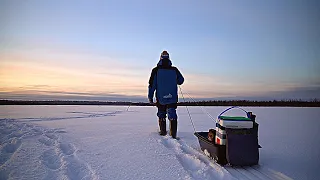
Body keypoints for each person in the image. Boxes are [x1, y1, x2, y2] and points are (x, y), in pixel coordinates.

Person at [148, 50, 184, 139]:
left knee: (161, 113)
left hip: (161, 98)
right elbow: (181, 81)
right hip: (172, 97)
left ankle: (163, 132)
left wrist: (150, 97)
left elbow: (152, 85)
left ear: (160, 58)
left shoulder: (155, 70)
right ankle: (173, 135)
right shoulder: (174, 70)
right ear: (168, 58)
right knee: (172, 113)